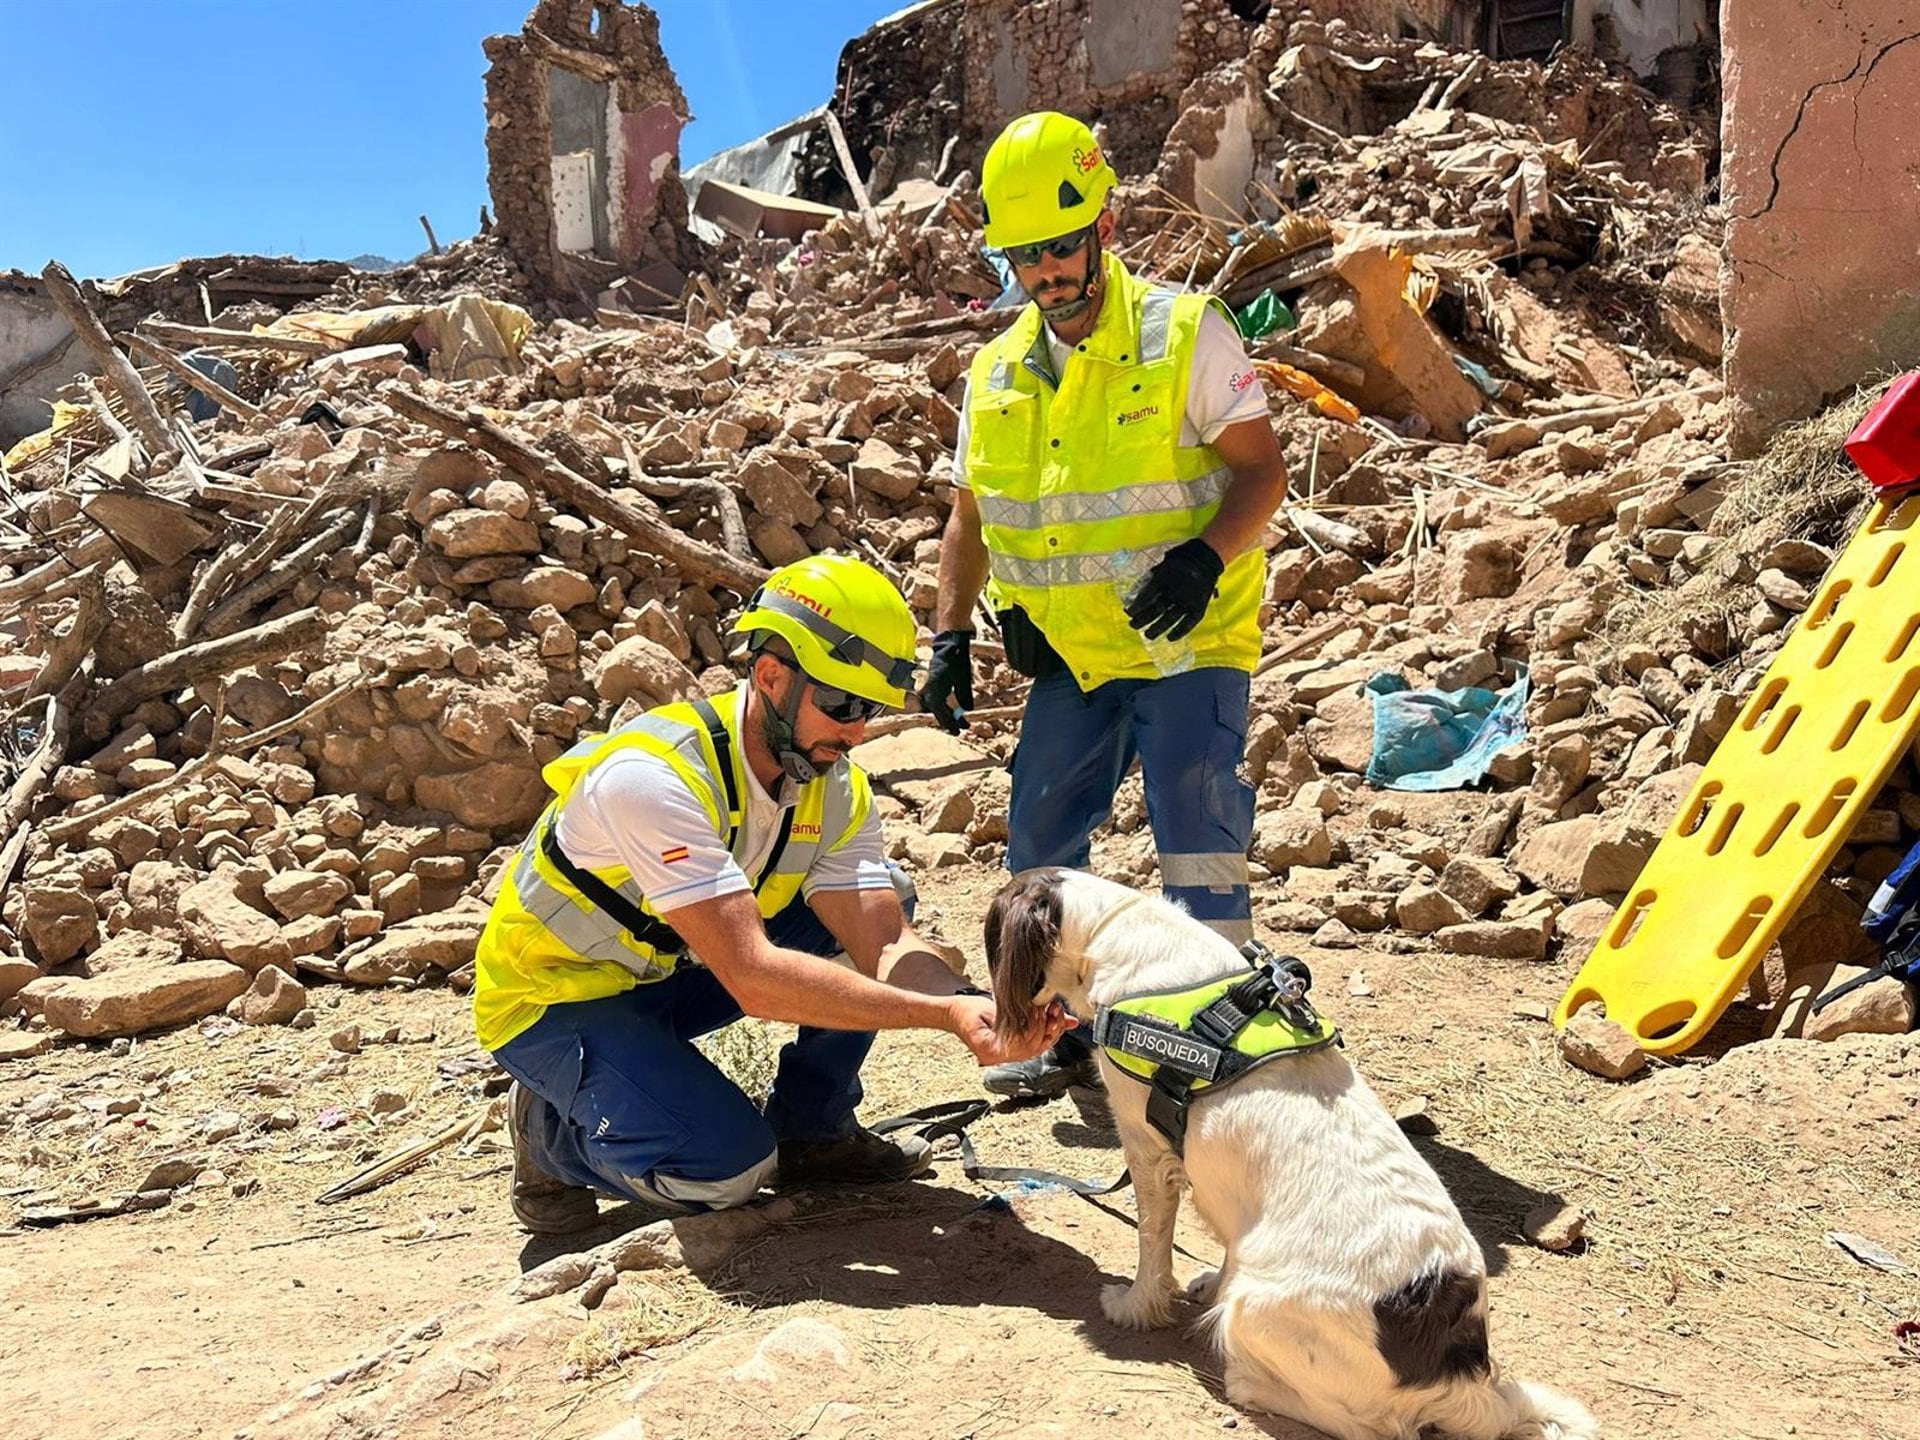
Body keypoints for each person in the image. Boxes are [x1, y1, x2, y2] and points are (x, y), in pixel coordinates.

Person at [475, 555, 1074, 1233]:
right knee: (726, 1174)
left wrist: (979, 1006)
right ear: (770, 676)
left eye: (869, 710)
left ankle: (812, 1132)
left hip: (673, 973)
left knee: (890, 897)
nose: (856, 732)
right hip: (556, 1000)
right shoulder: (653, 778)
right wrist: (941, 1019)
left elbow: (882, 942)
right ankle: (551, 1138)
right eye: (842, 706)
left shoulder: (834, 785)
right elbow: (756, 981)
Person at [919, 112, 1289, 1099]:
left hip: (1190, 640)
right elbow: (973, 521)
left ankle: (1209, 1045)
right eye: (1023, 252)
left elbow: (1263, 474)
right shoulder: (994, 374)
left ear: (1105, 228)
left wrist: (1206, 560)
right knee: (1038, 840)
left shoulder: (1186, 332)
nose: (1043, 270)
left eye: (1057, 244)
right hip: (1076, 658)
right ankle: (1054, 1028)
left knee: (1196, 835)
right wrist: (951, 635)